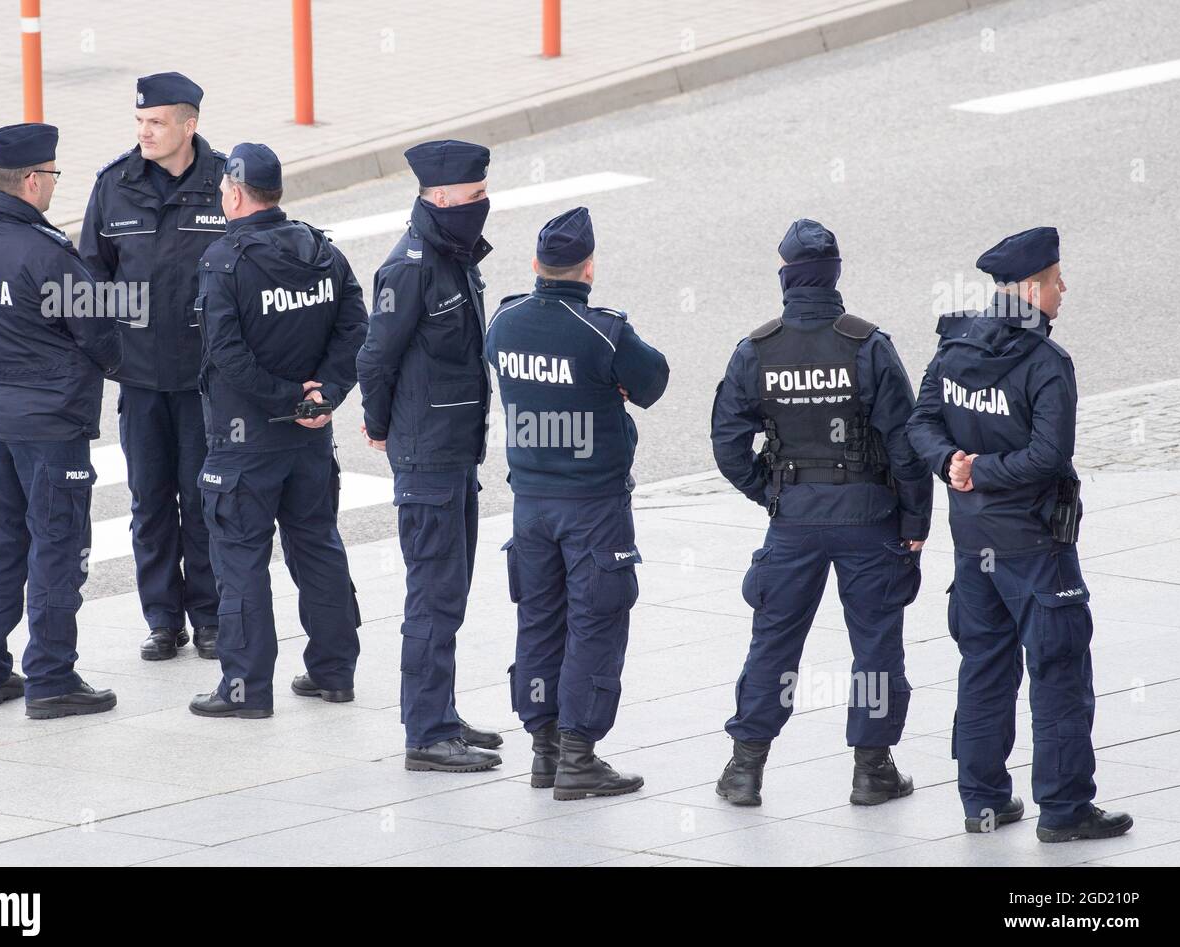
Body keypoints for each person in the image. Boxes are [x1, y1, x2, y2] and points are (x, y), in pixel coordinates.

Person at [907, 226, 1133, 842]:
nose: (1065, 289)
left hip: (970, 542)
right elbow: (1049, 456)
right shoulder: (1046, 364)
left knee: (983, 668)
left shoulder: (955, 346)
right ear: (1032, 289)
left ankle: (983, 801)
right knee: (1058, 675)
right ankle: (1064, 811)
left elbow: (921, 421)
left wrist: (953, 465)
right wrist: (979, 467)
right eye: (1058, 280)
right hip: (1036, 548)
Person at [710, 219, 932, 807]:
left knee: (774, 643)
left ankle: (744, 770)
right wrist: (914, 525)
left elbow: (728, 446)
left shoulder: (758, 349)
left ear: (785, 278)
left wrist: (775, 493)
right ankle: (872, 769)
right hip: (869, 517)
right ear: (834, 277)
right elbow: (908, 445)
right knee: (877, 644)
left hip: (794, 523)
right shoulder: (868, 345)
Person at [485, 207, 669, 799]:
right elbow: (654, 381)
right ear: (588, 269)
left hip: (530, 503)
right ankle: (579, 756)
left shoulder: (505, 322)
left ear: (535, 265)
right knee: (595, 622)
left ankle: (543, 750)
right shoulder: (604, 331)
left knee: (539, 620)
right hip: (593, 506)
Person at [0, 123, 121, 718]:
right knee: (58, 548)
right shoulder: (47, 254)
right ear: (29, 180)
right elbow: (101, 332)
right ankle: (52, 677)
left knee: (0, 543)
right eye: (50, 176)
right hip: (52, 427)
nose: (53, 186)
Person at [187, 143, 367, 718]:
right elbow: (355, 326)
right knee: (316, 547)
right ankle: (334, 673)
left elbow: (227, 354)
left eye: (222, 190)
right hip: (310, 436)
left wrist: (289, 398)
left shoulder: (224, 261)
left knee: (240, 560)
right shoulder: (322, 251)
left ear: (236, 193)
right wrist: (327, 393)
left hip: (246, 443)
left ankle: (245, 689)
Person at [356, 139, 504, 771]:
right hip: (426, 456)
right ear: (439, 197)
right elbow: (374, 357)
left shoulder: (452, 252)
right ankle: (426, 733)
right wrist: (380, 426)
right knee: (432, 595)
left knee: (454, 589)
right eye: (474, 197)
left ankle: (441, 711)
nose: (483, 206)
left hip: (454, 453)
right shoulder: (412, 266)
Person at [80, 72, 226, 662]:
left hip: (204, 380)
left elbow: (259, 264)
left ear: (188, 125)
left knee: (205, 499)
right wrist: (110, 355)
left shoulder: (226, 184)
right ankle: (163, 619)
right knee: (149, 500)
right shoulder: (114, 185)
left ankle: (211, 617)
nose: (145, 132)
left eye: (157, 122)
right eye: (140, 122)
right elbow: (89, 279)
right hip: (140, 380)